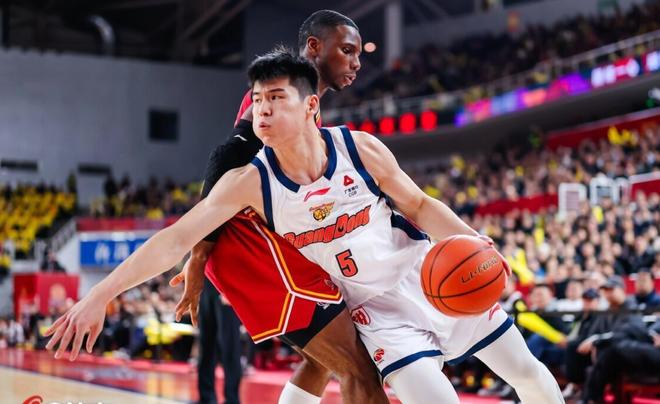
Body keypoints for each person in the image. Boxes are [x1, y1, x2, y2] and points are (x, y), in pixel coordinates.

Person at [45, 49, 563, 403]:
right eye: (257, 99)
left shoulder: (359, 148)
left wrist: (470, 239)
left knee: (528, 374)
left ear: (311, 105)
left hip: (424, 274)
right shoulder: (249, 182)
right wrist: (101, 295)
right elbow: (175, 238)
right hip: (377, 314)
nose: (262, 110)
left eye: (276, 98)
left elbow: (421, 205)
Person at [171, 10, 387, 404]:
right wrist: (199, 256)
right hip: (248, 246)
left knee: (322, 361)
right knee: (357, 368)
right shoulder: (278, 91)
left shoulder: (305, 104)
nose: (357, 62)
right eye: (348, 51)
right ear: (314, 47)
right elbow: (226, 159)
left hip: (257, 244)